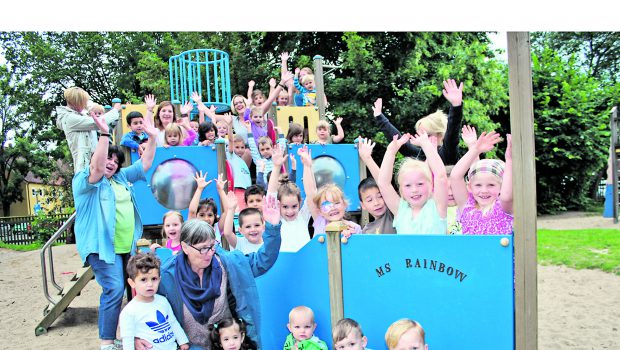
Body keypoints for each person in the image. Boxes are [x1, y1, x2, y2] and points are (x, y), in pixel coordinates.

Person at [136, 196, 281, 350]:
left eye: (211, 247)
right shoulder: (167, 275)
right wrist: (137, 336)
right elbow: (144, 304)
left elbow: (263, 260)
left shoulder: (228, 262)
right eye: (202, 248)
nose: (209, 253)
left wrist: (272, 228)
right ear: (185, 247)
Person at [72, 108, 158, 349]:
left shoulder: (120, 178)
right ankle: (107, 341)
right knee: (114, 288)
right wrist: (103, 133)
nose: (111, 163)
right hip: (101, 247)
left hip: (125, 246)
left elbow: (146, 164)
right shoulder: (85, 182)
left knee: (133, 288)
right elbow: (97, 169)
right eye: (108, 158)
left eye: (116, 160)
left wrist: (152, 138)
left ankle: (131, 337)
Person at [372, 79, 463, 165]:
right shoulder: (420, 154)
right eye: (419, 134)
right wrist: (379, 117)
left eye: (426, 135)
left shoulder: (448, 153)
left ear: (439, 135)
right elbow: (400, 142)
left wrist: (456, 106)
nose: (421, 138)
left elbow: (452, 133)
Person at [377, 133, 449, 235]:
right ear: (401, 190)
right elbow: (383, 183)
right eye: (408, 185)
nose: (414, 190)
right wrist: (391, 152)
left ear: (430, 185)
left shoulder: (437, 206)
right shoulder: (400, 209)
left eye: (420, 184)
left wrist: (426, 145)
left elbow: (441, 177)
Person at [119, 252, 189, 350]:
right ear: (132, 283)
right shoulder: (129, 312)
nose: (150, 284)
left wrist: (183, 341)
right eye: (143, 280)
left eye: (154, 279)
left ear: (159, 280)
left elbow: (173, 322)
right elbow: (128, 340)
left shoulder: (163, 301)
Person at [450, 131, 513, 235]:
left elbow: (506, 196)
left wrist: (509, 160)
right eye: (478, 185)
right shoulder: (467, 207)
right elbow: (455, 176)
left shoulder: (504, 208)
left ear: (502, 187)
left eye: (491, 185)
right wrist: (475, 149)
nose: (484, 190)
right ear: (469, 187)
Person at [298, 146, 361, 237]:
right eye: (326, 204)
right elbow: (310, 192)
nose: (333, 208)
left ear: (345, 204)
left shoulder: (354, 228)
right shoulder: (320, 221)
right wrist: (307, 166)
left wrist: (351, 238)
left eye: (336, 203)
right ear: (319, 211)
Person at [55, 86, 121, 173]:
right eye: (83, 102)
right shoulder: (69, 118)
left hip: (94, 159)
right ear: (76, 103)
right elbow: (98, 123)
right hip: (85, 165)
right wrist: (115, 110)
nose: (85, 104)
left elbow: (92, 105)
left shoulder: (80, 112)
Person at [267, 145, 312, 252]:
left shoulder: (303, 216)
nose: (290, 211)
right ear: (278, 205)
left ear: (300, 203)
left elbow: (311, 194)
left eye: (294, 206)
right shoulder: (277, 220)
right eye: (285, 206)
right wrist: (277, 167)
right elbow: (271, 196)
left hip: (303, 264)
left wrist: (307, 166)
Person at [357, 137, 395, 234]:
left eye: (380, 196)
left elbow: (383, 184)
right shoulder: (366, 231)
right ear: (363, 205)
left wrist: (367, 159)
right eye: (369, 200)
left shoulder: (392, 215)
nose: (376, 203)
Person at [188, 171, 228, 241]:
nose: (206, 219)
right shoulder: (194, 228)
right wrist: (199, 189)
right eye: (202, 215)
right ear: (196, 216)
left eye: (210, 215)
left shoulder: (218, 228)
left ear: (215, 216)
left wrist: (221, 190)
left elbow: (228, 211)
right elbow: (192, 211)